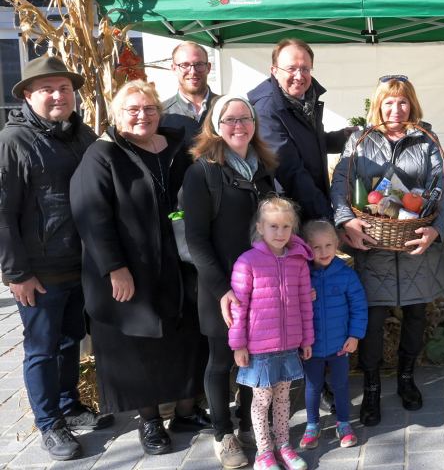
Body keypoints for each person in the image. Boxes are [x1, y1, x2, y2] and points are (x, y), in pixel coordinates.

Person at [70, 80, 208, 456]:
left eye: (148, 108)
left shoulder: (178, 147)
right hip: (131, 268)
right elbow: (91, 217)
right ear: (117, 115)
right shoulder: (102, 155)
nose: (142, 116)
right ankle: (149, 422)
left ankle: (186, 410)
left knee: (184, 337)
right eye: (132, 109)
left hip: (177, 262)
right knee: (137, 347)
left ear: (159, 112)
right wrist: (115, 268)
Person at [0, 56, 110, 461]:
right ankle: (49, 423)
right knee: (42, 348)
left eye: (64, 88)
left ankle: (69, 405)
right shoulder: (14, 142)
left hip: (80, 264)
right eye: (47, 89)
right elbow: (3, 213)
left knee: (69, 341)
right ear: (28, 95)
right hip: (39, 271)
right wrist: (16, 272)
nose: (58, 95)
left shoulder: (80, 134)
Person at [331, 75, 444, 426]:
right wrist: (345, 223)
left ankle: (406, 378)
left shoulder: (427, 139)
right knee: (372, 320)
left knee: (416, 316)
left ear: (412, 104)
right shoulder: (360, 140)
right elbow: (340, 185)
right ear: (377, 105)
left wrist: (435, 229)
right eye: (388, 102)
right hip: (374, 245)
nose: (395, 109)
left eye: (402, 102)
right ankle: (371, 388)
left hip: (416, 246)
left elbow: (441, 186)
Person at [183, 95, 277, 468]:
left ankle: (249, 421)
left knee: (253, 357)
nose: (238, 126)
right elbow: (196, 239)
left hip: (262, 284)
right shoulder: (202, 172)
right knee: (222, 359)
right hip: (220, 286)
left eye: (245, 119)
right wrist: (222, 289)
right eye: (229, 120)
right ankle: (223, 434)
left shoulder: (265, 169)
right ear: (214, 126)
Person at [228, 197, 313, 470]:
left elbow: (304, 303)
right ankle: (264, 452)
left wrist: (307, 339)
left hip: (288, 346)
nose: (280, 233)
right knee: (261, 400)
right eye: (273, 226)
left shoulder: (298, 262)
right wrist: (238, 345)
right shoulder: (247, 262)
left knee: (283, 399)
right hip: (259, 350)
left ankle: (284, 445)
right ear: (260, 228)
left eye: (286, 227)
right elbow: (239, 309)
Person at [249, 38, 353, 221]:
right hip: (291, 214)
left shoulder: (306, 100)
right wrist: (328, 216)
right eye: (291, 68)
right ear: (274, 71)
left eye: (305, 69)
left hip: (312, 204)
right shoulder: (267, 110)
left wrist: (343, 137)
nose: (299, 76)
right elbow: (290, 171)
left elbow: (307, 142)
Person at [299, 220, 367, 450]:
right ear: (307, 248)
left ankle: (344, 423)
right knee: (312, 386)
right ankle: (312, 425)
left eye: (328, 245)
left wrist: (355, 335)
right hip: (312, 347)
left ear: (337, 244)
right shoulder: (301, 276)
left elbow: (358, 306)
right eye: (316, 247)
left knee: (341, 385)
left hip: (340, 345)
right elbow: (289, 308)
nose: (324, 251)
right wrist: (303, 299)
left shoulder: (346, 275)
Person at [161, 41, 218, 139]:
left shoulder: (227, 107)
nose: (193, 71)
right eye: (185, 65)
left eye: (199, 64)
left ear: (208, 67)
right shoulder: (162, 114)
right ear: (174, 69)